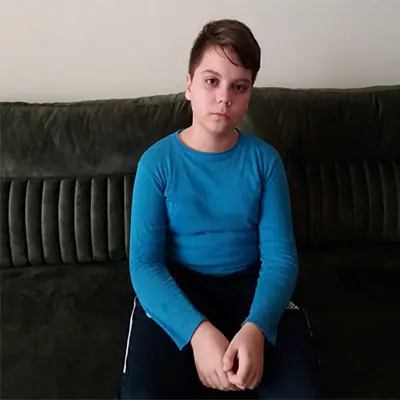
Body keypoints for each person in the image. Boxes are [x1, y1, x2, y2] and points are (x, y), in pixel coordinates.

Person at [119, 19, 324, 399]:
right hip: (178, 288)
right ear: (189, 85)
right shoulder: (157, 163)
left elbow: (280, 259)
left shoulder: (265, 162)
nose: (224, 97)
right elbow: (144, 266)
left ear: (249, 94)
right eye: (212, 81)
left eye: (239, 87)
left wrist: (256, 328)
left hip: (251, 286)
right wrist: (198, 333)